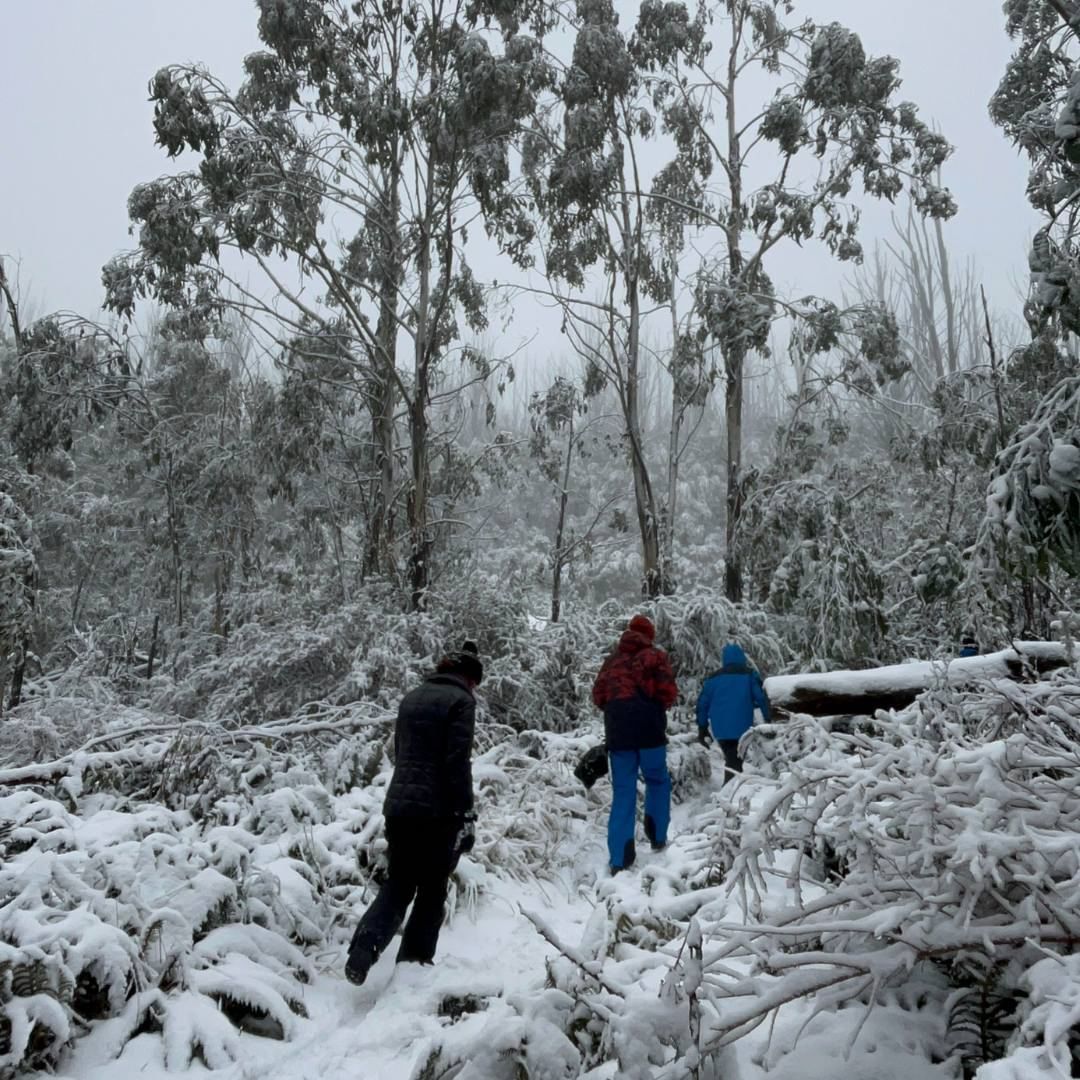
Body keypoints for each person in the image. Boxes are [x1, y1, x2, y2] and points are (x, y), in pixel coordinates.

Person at [345, 640, 483, 985]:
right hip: (437, 812)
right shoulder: (461, 702)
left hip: (400, 807)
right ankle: (413, 966)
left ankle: (362, 951)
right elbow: (456, 762)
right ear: (469, 678)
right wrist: (465, 814)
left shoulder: (413, 697)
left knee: (400, 883)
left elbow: (404, 753)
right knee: (433, 888)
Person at [591, 614, 678, 874]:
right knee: (657, 780)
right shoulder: (655, 656)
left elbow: (598, 696)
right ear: (649, 635)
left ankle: (619, 858)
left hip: (619, 732)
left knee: (623, 791)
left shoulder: (611, 661)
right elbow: (669, 693)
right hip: (649, 728)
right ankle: (658, 836)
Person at [696, 642, 770, 779]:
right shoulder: (749, 675)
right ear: (742, 657)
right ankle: (728, 792)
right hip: (742, 727)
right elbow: (761, 698)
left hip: (720, 729)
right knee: (735, 761)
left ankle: (731, 790)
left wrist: (702, 727)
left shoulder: (713, 679)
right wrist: (768, 718)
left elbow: (702, 704)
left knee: (732, 759)